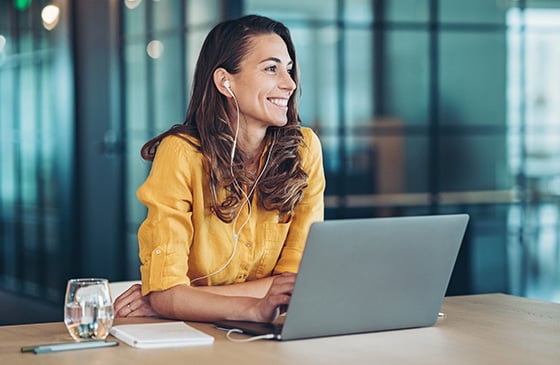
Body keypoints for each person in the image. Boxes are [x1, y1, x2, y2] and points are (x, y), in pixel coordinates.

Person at [114, 14, 325, 323]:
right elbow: (167, 292)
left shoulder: (305, 150)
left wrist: (180, 300)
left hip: (270, 337)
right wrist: (252, 304)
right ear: (225, 81)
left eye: (289, 69)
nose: (289, 84)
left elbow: (295, 287)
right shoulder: (182, 154)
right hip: (194, 339)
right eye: (271, 68)